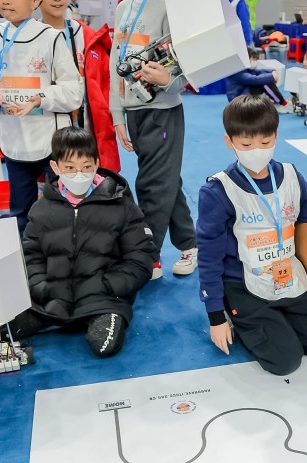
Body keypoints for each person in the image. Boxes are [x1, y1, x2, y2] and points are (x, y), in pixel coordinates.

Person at [196, 95, 307, 376]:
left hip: (287, 277)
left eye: (265, 142)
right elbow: (209, 257)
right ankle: (239, 315)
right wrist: (215, 315)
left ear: (275, 136)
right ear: (229, 142)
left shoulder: (292, 177)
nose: (257, 150)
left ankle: (279, 317)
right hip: (243, 284)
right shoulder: (218, 191)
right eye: (246, 145)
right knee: (285, 361)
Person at [9, 127, 155, 357]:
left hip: (103, 300)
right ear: (55, 167)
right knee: (1, 331)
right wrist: (41, 287)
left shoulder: (122, 205)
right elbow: (30, 256)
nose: (79, 174)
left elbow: (140, 259)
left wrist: (107, 287)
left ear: (96, 163)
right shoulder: (41, 209)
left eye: (86, 167)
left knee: (105, 346)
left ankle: (92, 316)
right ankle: (57, 317)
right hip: (51, 299)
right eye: (69, 168)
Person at [0, 0, 83, 233]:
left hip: (52, 139)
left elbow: (74, 92)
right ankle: (27, 252)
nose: (6, 2)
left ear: (34, 2)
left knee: (63, 208)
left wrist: (40, 98)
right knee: (20, 211)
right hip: (13, 137)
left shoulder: (50, 37)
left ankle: (65, 251)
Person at [110, 0, 199, 280]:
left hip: (162, 112)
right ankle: (189, 243)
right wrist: (117, 114)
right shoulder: (123, 9)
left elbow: (188, 63)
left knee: (153, 184)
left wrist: (167, 80)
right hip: (133, 111)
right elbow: (115, 63)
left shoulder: (170, 7)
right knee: (166, 178)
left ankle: (149, 256)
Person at [40, 0, 121, 172]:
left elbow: (106, 86)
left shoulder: (88, 37)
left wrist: (116, 119)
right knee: (53, 181)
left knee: (90, 179)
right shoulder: (28, 38)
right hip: (45, 132)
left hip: (87, 129)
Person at [227, 47, 293, 110]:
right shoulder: (238, 72)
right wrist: (272, 76)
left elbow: (260, 71)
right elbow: (254, 79)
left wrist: (272, 71)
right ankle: (283, 104)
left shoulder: (245, 69)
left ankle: (279, 101)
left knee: (266, 80)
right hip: (238, 102)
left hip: (242, 95)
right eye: (253, 58)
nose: (255, 61)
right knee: (266, 83)